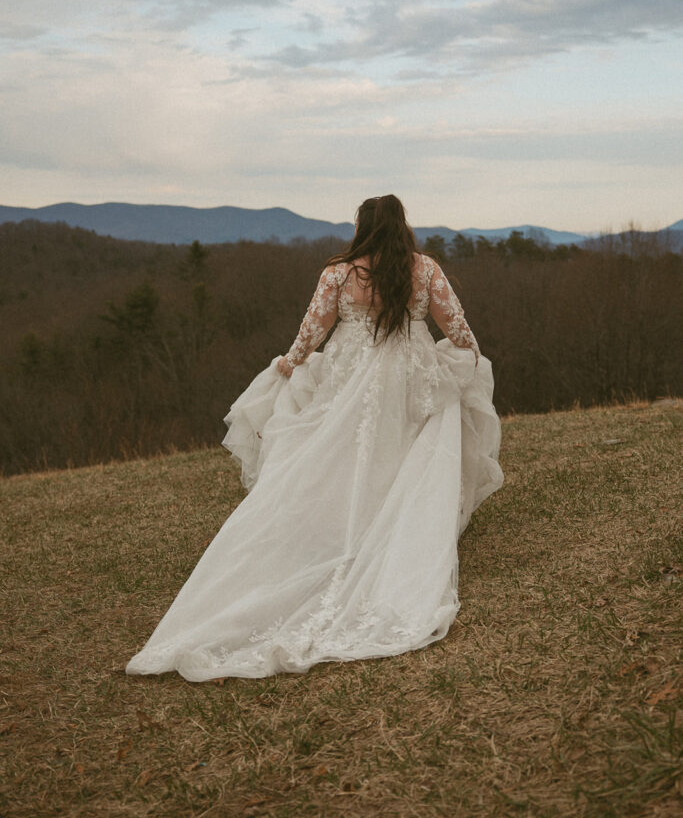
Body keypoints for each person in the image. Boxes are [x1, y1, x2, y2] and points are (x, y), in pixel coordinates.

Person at [126, 195, 503, 681]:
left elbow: (312, 333)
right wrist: (466, 359)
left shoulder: (340, 273)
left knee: (345, 451)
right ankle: (388, 528)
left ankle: (347, 529)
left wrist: (288, 362)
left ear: (362, 227)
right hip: (411, 375)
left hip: (351, 374)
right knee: (406, 445)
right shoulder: (424, 269)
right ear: (402, 226)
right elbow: (457, 328)